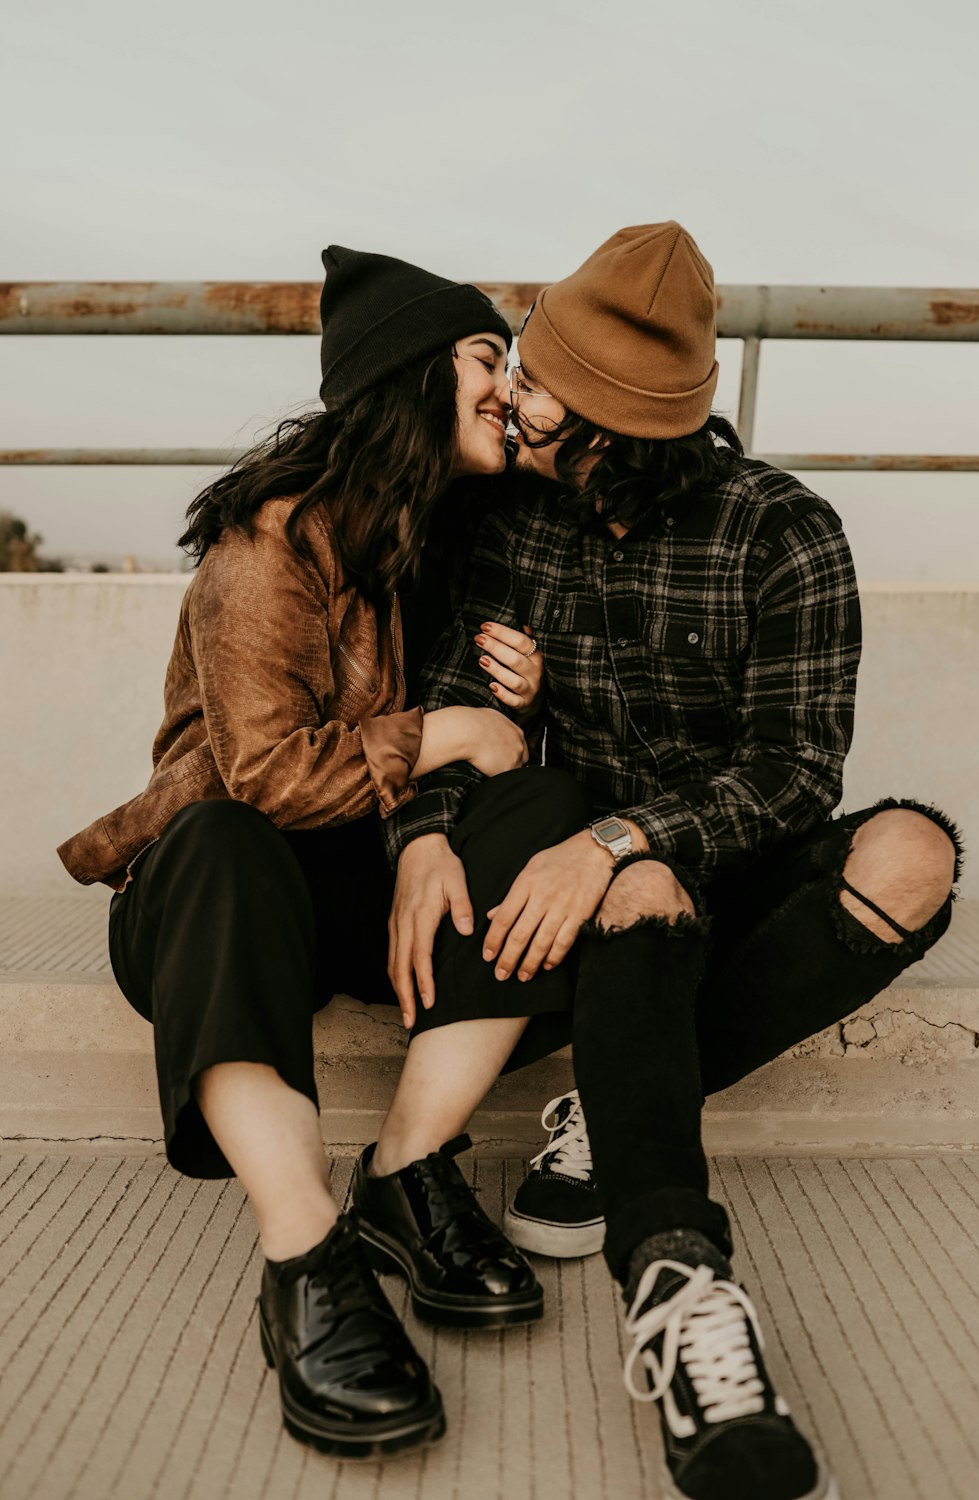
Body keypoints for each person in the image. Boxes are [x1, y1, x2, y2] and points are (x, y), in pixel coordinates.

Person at [381, 222, 962, 1500]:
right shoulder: (506, 518)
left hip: (706, 843)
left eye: (535, 388)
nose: (514, 403)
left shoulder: (781, 530)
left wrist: (626, 837)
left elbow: (797, 771)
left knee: (915, 853)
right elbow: (440, 698)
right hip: (592, 870)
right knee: (642, 892)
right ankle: (681, 1286)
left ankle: (620, 1101)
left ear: (606, 427)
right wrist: (436, 835)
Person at [56, 246, 566, 1462]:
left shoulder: (447, 532)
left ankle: (408, 1166)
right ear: (408, 377)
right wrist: (439, 728)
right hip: (211, 901)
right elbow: (268, 775)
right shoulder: (269, 544)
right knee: (227, 832)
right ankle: (305, 1251)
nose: (510, 388)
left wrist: (518, 701)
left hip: (359, 885)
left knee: (546, 810)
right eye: (489, 361)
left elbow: (494, 751)